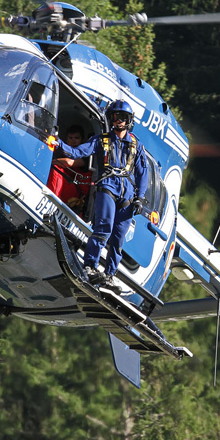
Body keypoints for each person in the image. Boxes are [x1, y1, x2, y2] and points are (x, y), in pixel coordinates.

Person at [49, 100, 148, 294]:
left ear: (129, 120)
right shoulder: (100, 140)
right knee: (103, 229)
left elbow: (142, 173)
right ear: (110, 119)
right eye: (115, 117)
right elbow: (77, 152)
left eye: (122, 118)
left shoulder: (137, 145)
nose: (118, 121)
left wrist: (140, 198)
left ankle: (109, 276)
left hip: (127, 196)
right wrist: (57, 142)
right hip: (107, 188)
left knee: (118, 240)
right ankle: (90, 266)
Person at [47, 125, 91, 214]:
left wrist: (48, 162)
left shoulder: (86, 156)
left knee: (56, 169)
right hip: (65, 188)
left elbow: (69, 162)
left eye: (76, 138)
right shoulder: (61, 153)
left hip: (77, 195)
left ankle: (52, 201)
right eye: (70, 138)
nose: (73, 140)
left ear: (82, 140)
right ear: (67, 140)